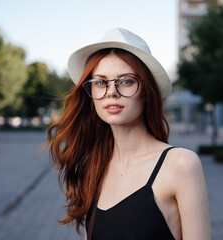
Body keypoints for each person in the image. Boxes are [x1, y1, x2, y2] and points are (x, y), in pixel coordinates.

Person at [44, 28, 211, 240]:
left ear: (147, 92)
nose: (111, 92)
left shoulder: (181, 164)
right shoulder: (95, 167)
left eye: (126, 81)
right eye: (100, 82)